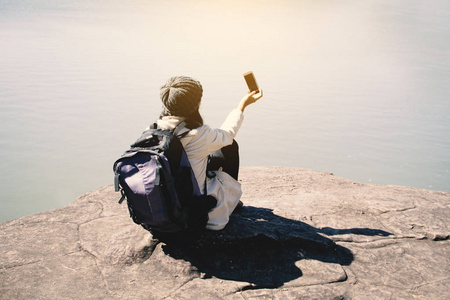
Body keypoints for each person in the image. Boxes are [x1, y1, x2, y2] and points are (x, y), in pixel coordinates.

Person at [152, 76, 263, 231]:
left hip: (164, 210)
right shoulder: (198, 134)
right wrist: (242, 105)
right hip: (196, 214)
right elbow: (228, 134)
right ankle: (231, 202)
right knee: (228, 147)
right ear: (197, 104)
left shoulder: (154, 130)